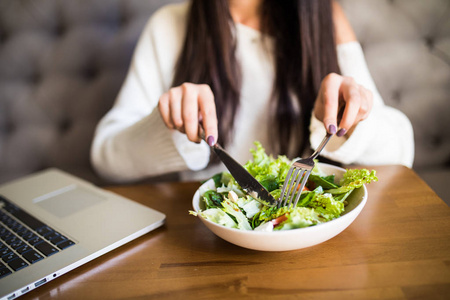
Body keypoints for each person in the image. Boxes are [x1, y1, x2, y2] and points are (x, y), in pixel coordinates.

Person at [90, 0, 414, 183]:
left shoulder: (326, 18)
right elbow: (106, 158)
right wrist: (170, 124)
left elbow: (399, 153)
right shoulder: (169, 24)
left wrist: (352, 122)